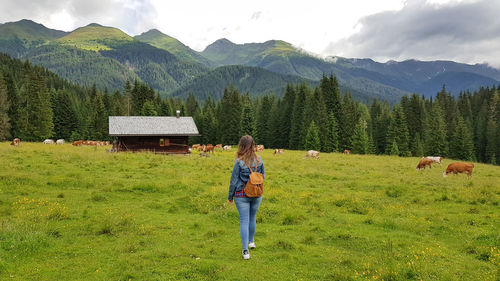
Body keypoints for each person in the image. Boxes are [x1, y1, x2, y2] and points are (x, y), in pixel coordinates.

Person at [228, 135, 265, 260]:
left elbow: (233, 181)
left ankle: (245, 251)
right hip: (256, 194)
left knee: (244, 221)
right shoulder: (259, 160)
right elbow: (263, 176)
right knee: (252, 217)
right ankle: (252, 241)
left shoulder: (239, 162)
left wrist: (230, 197)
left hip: (241, 195)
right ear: (253, 145)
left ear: (241, 146)